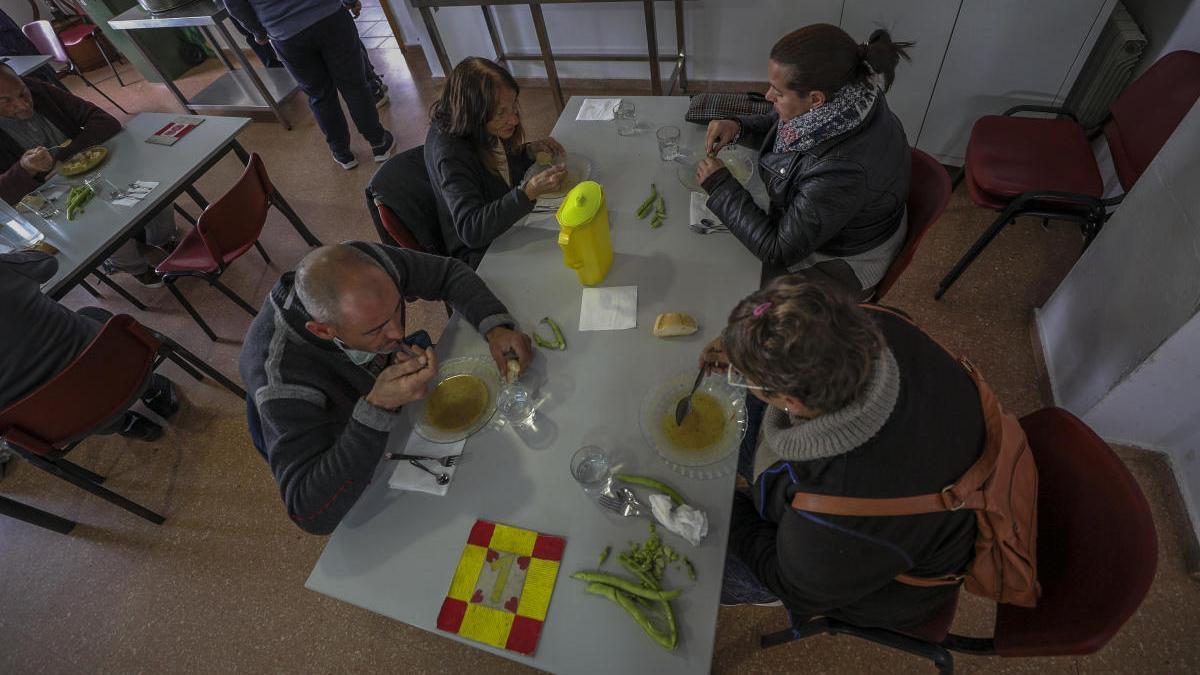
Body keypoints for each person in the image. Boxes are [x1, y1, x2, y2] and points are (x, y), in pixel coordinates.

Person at [699, 277, 983, 629]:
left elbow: (792, 583)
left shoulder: (836, 518)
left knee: (703, 564)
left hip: (868, 575)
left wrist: (723, 508)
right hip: (932, 454)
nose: (739, 375)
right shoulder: (878, 323)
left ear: (792, 402)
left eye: (747, 376)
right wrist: (746, 345)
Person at [239, 241, 534, 535]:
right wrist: (377, 407)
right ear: (324, 330)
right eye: (375, 329)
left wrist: (495, 327)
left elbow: (448, 273)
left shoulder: (367, 264)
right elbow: (310, 512)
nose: (398, 331)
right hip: (354, 450)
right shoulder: (279, 376)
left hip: (397, 426)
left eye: (396, 309)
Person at [699, 25, 913, 296]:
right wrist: (738, 127)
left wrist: (720, 186)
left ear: (815, 99)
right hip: (836, 220)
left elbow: (777, 251)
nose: (768, 96)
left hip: (843, 260)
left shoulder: (841, 170)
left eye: (777, 92)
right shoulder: (849, 95)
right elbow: (787, 122)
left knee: (737, 291)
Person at [0, 65, 176, 287]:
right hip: (46, 200)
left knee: (154, 189)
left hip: (92, 169)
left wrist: (64, 158)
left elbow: (103, 120)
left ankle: (162, 238)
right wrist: (25, 169)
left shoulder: (38, 89)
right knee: (101, 226)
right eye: (6, 101)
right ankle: (132, 266)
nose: (23, 104)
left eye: (22, 93)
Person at [0, 250, 180, 441]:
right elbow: (47, 263)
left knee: (45, 401)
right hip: (124, 370)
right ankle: (152, 389)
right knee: (90, 315)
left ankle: (124, 425)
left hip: (65, 425)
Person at [425, 57, 566, 268]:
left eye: (513, 107)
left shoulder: (477, 125)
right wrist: (527, 193)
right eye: (501, 113)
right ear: (473, 112)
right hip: (481, 255)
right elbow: (470, 229)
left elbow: (497, 169)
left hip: (503, 224)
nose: (514, 120)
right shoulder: (451, 154)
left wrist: (527, 152)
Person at [224, 0, 394, 170]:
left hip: (285, 33)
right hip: (330, 16)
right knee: (354, 86)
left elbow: (234, 4)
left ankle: (342, 152)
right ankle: (379, 142)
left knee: (319, 95)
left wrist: (258, 31)